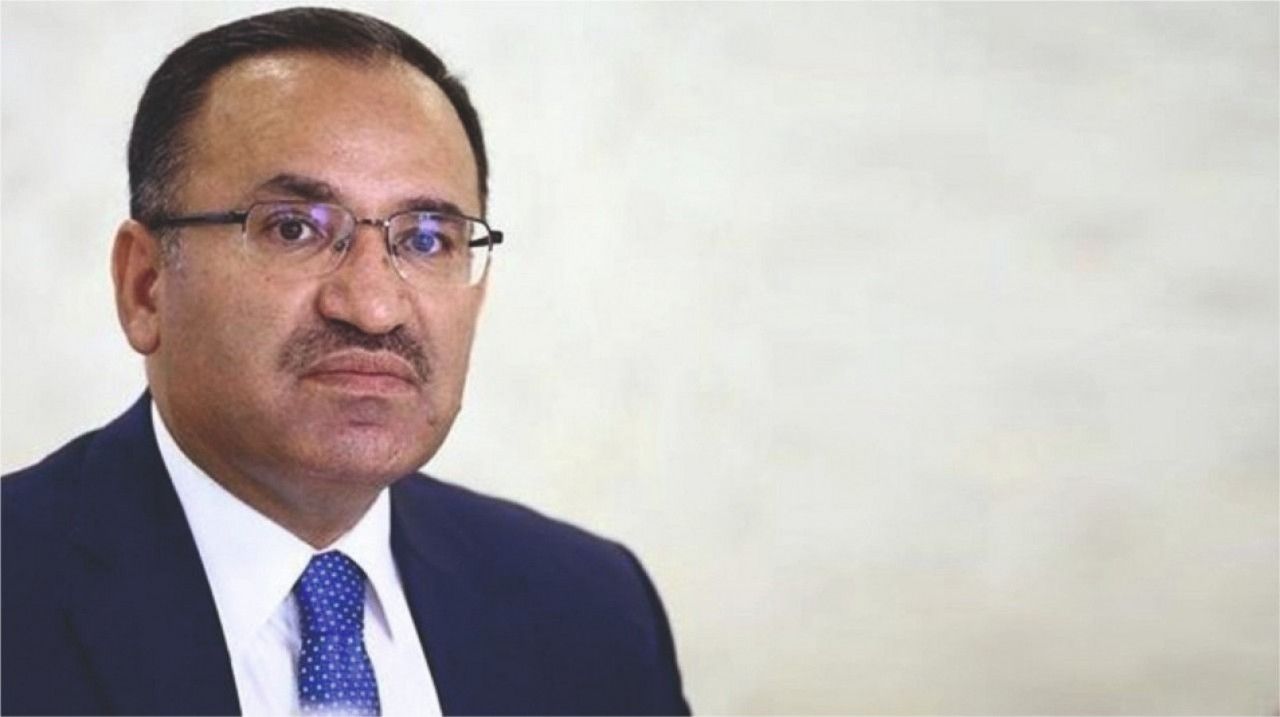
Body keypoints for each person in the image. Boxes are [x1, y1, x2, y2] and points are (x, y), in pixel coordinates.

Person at [1, 7, 690, 716]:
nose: (374, 306)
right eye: (293, 228)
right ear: (145, 286)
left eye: (427, 239)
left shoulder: (592, 609)